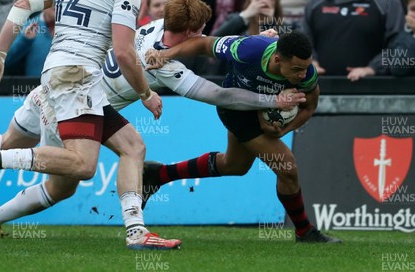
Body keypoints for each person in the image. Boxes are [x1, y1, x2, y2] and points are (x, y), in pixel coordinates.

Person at [0, 0, 304, 240]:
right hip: (78, 105)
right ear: (193, 29)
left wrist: (255, 39)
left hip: (53, 86)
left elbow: (212, 43)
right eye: (200, 29)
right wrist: (273, 101)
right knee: (76, 177)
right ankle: (134, 230)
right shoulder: (169, 68)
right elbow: (221, 94)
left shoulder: (152, 27)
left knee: (8, 139)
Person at [0, 0, 180, 250]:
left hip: (63, 73)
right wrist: (146, 93)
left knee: (133, 147)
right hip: (77, 76)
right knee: (83, 166)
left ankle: (136, 231)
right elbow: (125, 52)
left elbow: (22, 5)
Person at [143, 31, 341, 243]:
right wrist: (166, 55)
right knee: (287, 168)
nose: (303, 74)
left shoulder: (307, 73)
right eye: (296, 69)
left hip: (264, 111)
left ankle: (159, 174)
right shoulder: (248, 49)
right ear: (277, 59)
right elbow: (204, 44)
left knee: (234, 165)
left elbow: (309, 107)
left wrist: (283, 130)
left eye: (305, 68)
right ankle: (305, 231)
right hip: (235, 109)